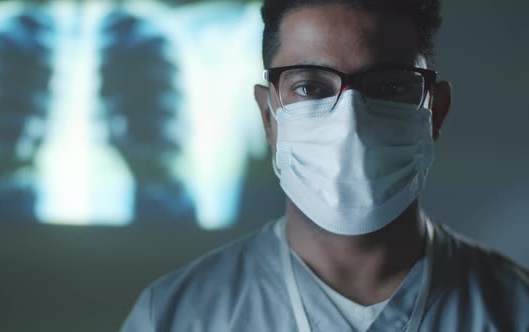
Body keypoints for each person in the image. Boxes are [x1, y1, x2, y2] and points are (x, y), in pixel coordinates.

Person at [120, 0, 529, 331]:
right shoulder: (176, 317)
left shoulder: (515, 309)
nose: (349, 122)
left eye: (389, 87)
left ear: (435, 111)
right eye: (310, 88)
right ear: (268, 117)